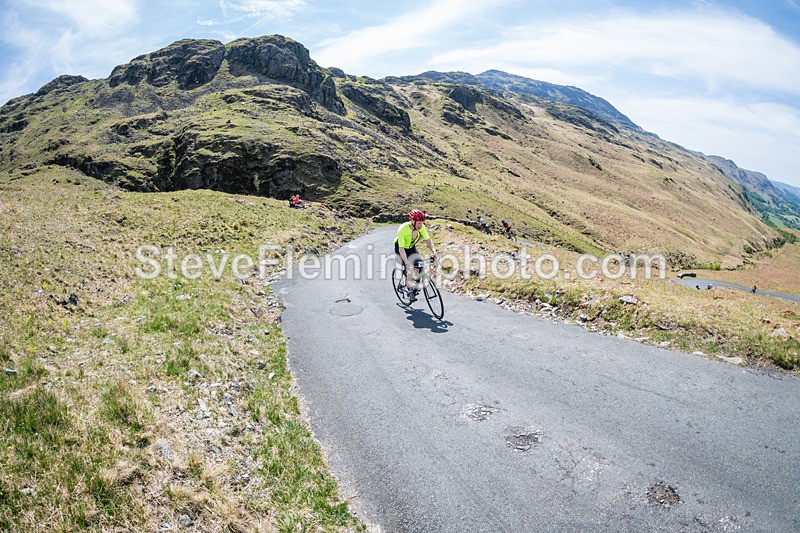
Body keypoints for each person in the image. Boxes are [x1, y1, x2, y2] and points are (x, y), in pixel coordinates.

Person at [395, 209, 437, 302]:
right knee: (409, 269)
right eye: (419, 223)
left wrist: (435, 252)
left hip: (411, 247)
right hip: (401, 249)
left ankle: (415, 285)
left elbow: (428, 240)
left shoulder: (421, 227)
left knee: (419, 266)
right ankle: (409, 290)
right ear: (412, 221)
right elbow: (401, 249)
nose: (420, 225)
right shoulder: (402, 229)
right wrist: (406, 263)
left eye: (422, 223)